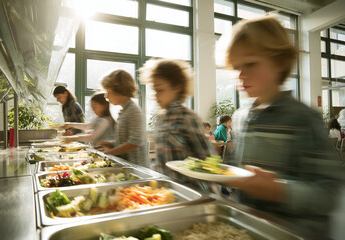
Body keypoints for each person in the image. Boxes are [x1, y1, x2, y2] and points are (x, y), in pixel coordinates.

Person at [221, 16, 343, 235]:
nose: (240, 74)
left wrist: (279, 190)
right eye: (236, 66)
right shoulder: (240, 117)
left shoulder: (303, 119)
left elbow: (329, 193)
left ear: (279, 62)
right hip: (249, 229)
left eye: (250, 64)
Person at [139, 59, 217, 178]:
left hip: (189, 188)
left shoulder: (188, 118)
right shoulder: (161, 118)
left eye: (160, 90)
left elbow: (207, 158)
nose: (156, 95)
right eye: (154, 90)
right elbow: (161, 160)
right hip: (167, 187)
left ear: (177, 87)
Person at [98, 70, 148, 167]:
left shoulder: (134, 111)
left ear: (120, 90)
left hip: (136, 167)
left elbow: (135, 142)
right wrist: (110, 144)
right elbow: (124, 141)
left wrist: (109, 153)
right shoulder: (125, 111)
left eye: (108, 92)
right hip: (127, 166)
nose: (106, 96)